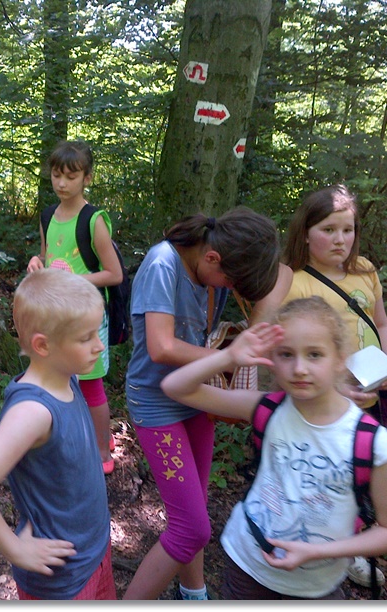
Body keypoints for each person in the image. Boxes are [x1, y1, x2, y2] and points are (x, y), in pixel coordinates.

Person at [160, 297, 387, 599]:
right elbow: (175, 387)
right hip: (248, 566)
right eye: (286, 355)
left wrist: (317, 551)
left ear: (340, 359)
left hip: (316, 586)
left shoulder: (369, 441)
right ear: (272, 359)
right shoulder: (267, 408)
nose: (299, 368)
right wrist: (228, 357)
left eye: (315, 354)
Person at [123, 208, 282, 600]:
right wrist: (228, 357)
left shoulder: (214, 269)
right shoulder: (163, 264)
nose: (229, 288)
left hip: (196, 399)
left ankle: (193, 594)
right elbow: (160, 347)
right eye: (230, 281)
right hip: (157, 405)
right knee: (192, 528)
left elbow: (285, 274)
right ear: (212, 258)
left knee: (193, 511)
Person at [0, 268, 115, 600]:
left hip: (95, 552)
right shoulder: (32, 412)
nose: (99, 346)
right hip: (61, 580)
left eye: (97, 334)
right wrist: (15, 549)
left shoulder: (67, 375)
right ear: (43, 345)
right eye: (86, 338)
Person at [280, 183, 387, 586]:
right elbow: (287, 352)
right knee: (327, 480)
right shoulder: (295, 282)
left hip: (372, 395)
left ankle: (347, 548)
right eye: (328, 230)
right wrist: (333, 391)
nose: (340, 239)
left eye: (348, 230)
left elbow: (381, 324)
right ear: (305, 233)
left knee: (361, 478)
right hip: (324, 403)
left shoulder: (365, 270)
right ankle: (314, 549)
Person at [26, 140, 122, 474]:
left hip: (87, 318)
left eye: (71, 176)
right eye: (56, 175)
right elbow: (46, 255)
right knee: (63, 379)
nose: (62, 183)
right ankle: (89, 437)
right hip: (57, 316)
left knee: (91, 385)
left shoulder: (93, 220)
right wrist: (37, 262)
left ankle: (102, 451)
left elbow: (114, 273)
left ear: (87, 178)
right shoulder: (48, 215)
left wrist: (75, 281)